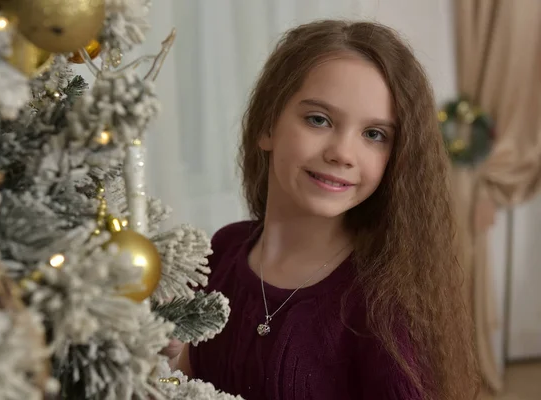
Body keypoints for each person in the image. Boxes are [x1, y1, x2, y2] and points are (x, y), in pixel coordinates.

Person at [165, 20, 479, 399]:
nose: (342, 153)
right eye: (319, 120)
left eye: (374, 135)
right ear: (268, 126)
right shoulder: (222, 251)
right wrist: (164, 362)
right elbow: (185, 382)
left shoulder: (383, 306)